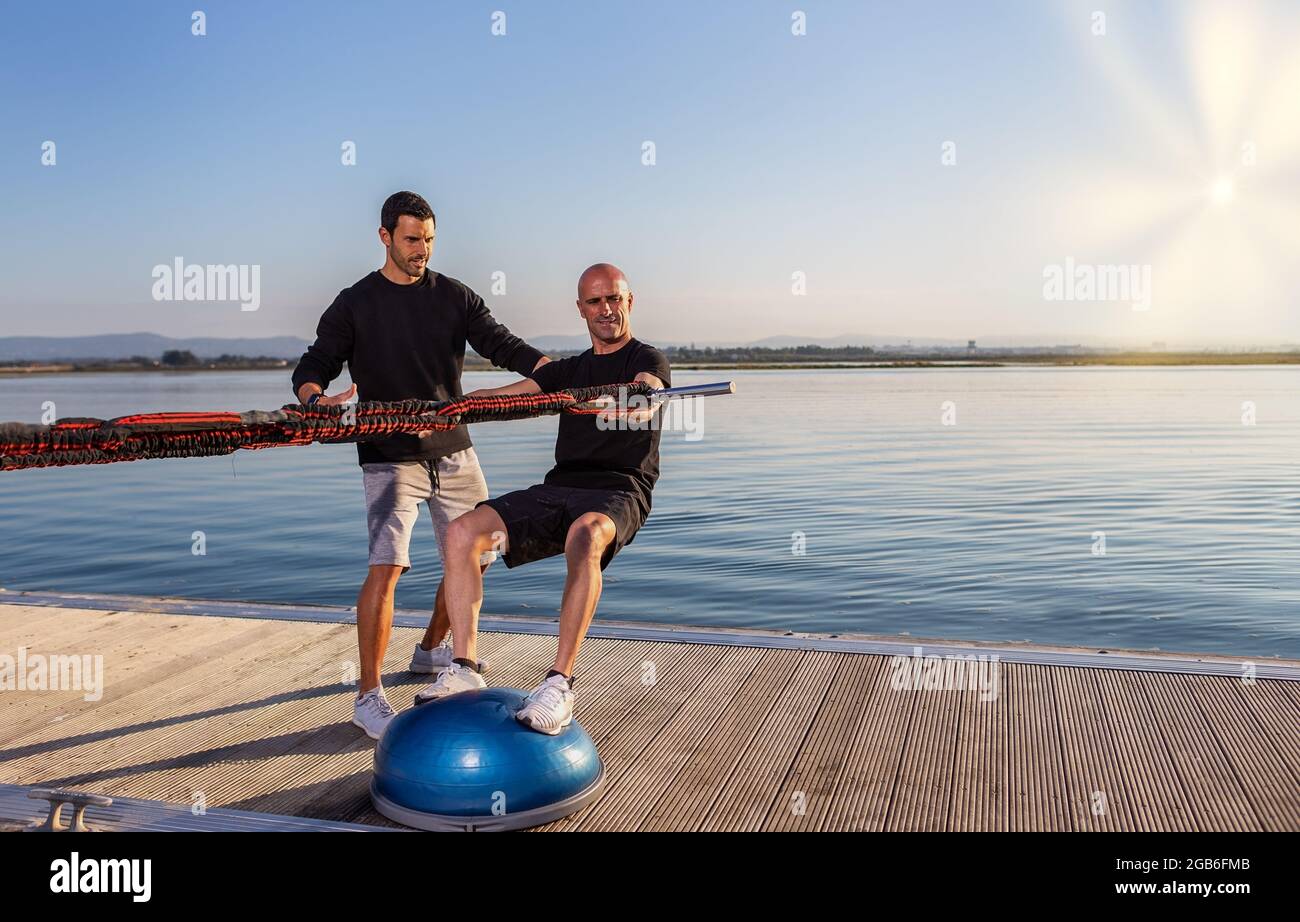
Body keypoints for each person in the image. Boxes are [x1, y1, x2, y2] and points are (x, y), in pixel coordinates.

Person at [290, 191, 549, 739]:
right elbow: (314, 366)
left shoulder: (454, 296)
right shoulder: (354, 303)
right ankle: (368, 696)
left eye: (429, 239)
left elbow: (504, 346)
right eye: (412, 239)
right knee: (388, 568)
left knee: (476, 555)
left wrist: (557, 372)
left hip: (454, 448)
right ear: (384, 237)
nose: (422, 250)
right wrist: (317, 400)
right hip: (389, 456)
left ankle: (433, 650)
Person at [414, 262, 670, 735]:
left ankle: (559, 685)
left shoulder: (647, 361)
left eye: (614, 298)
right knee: (462, 531)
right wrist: (456, 407)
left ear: (629, 302)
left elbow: (647, 396)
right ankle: (464, 664)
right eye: (594, 301)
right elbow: (510, 393)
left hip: (620, 489)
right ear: (581, 310)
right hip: (560, 487)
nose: (606, 309)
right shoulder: (568, 371)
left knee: (586, 534)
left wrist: (625, 402)